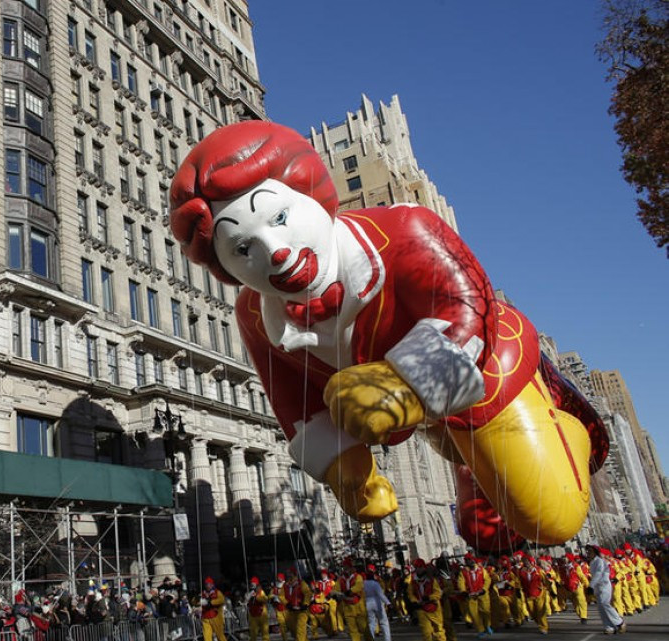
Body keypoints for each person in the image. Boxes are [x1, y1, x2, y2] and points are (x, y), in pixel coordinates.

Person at [168, 120, 603, 549]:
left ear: (311, 194)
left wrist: (403, 383)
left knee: (549, 519)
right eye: (243, 249)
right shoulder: (253, 315)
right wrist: (345, 469)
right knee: (484, 535)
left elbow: (467, 311)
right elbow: (294, 403)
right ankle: (466, 455)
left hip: (486, 369)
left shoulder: (407, 229)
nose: (276, 252)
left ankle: (557, 431)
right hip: (403, 411)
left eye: (280, 217)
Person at [587, 546, 625, 635]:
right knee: (601, 608)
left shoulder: (600, 561)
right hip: (598, 587)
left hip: (604, 586)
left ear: (595, 552)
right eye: (587, 551)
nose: (588, 553)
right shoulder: (592, 562)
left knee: (605, 604)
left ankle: (619, 622)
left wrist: (591, 586)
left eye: (590, 551)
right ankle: (609, 627)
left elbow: (598, 574)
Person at [456, 555, 492, 637]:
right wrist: (463, 591)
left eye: (471, 559)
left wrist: (483, 589)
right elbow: (460, 582)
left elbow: (487, 580)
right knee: (474, 614)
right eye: (467, 560)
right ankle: (481, 630)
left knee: (485, 611)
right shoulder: (463, 572)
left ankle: (487, 625)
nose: (470, 561)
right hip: (470, 595)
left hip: (482, 594)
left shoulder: (481, 570)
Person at [336, 560, 368, 641]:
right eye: (344, 567)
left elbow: (359, 586)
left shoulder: (358, 576)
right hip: (348, 607)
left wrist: (350, 591)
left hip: (359, 606)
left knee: (363, 628)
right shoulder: (340, 579)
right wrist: (334, 594)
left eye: (347, 567)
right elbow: (336, 589)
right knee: (352, 630)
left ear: (351, 567)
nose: (345, 569)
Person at [362, 569, 390, 641]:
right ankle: (387, 639)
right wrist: (388, 603)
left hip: (367, 603)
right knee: (384, 622)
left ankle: (371, 639)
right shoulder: (375, 584)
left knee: (371, 623)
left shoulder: (363, 583)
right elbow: (381, 595)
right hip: (377, 602)